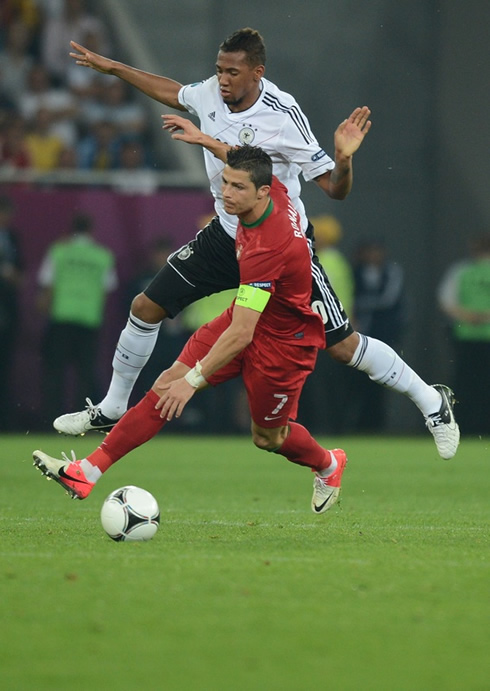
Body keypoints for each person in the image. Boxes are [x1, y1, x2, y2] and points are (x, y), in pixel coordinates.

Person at [54, 27, 459, 459]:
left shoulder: (283, 114)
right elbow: (177, 93)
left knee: (342, 346)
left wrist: (343, 159)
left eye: (232, 72)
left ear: (257, 73)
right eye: (218, 70)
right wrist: (114, 68)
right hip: (225, 237)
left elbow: (334, 189)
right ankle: (113, 407)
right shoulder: (211, 92)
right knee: (144, 307)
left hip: (280, 249)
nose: (222, 80)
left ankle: (432, 402)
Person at [33, 144, 347, 515]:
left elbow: (243, 334)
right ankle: (85, 472)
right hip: (246, 319)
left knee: (267, 437)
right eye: (225, 183)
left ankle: (328, 463)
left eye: (237, 188)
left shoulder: (268, 245)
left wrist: (193, 380)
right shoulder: (267, 185)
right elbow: (241, 159)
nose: (227, 194)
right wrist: (203, 138)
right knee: (166, 385)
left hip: (284, 342)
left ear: (263, 192)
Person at [37, 212, 117, 425]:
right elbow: (107, 288)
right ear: (91, 231)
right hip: (89, 320)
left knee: (55, 373)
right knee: (86, 375)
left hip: (61, 318)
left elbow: (47, 285)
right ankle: (83, 424)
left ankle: (51, 421)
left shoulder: (60, 251)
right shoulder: (102, 255)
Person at [350, 238, 406, 432]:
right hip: (358, 335)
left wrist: (358, 305)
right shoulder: (354, 272)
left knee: (382, 379)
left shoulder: (392, 272)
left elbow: (388, 300)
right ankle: (358, 424)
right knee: (357, 382)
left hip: (384, 333)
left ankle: (377, 424)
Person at [437, 234, 490, 436]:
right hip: (484, 335)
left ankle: (461, 427)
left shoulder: (461, 271)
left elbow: (446, 302)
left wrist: (469, 316)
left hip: (465, 335)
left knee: (464, 383)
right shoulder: (461, 270)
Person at [0, 194, 23, 429]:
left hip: (6, 309)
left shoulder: (12, 239)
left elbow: (20, 274)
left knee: (5, 369)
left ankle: (4, 421)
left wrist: (11, 275)